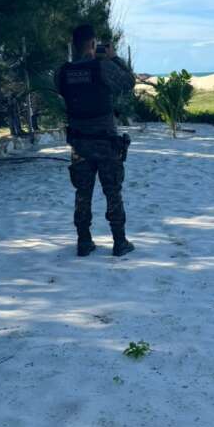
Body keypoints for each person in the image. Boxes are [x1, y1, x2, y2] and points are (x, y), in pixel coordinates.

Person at [57, 25, 136, 257]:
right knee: (112, 192)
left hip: (79, 144)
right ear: (93, 44)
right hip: (105, 143)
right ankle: (119, 242)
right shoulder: (102, 68)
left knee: (82, 193)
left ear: (73, 45)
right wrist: (114, 58)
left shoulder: (62, 72)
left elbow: (66, 92)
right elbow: (128, 83)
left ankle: (84, 241)